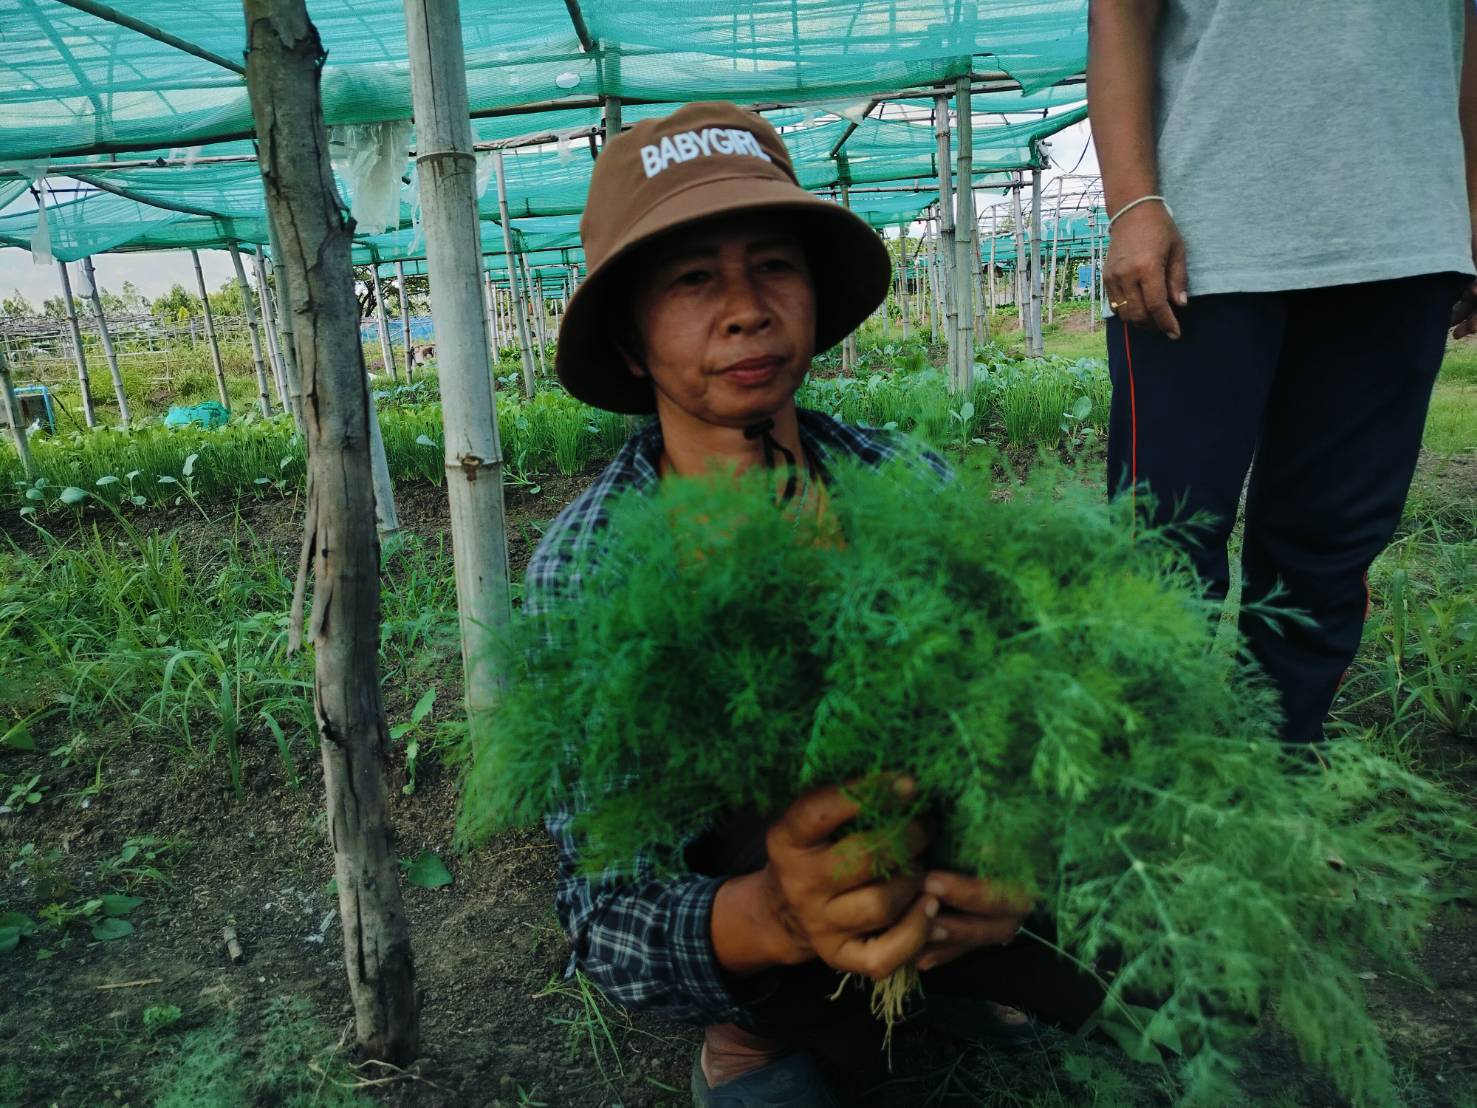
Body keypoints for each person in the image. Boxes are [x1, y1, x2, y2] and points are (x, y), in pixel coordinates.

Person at [524, 103, 1105, 1107]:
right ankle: (747, 1036)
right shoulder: (587, 570)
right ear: (627, 341)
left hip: (936, 880)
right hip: (763, 940)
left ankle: (956, 969)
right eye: (693, 278)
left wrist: (1016, 863)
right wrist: (777, 917)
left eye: (772, 266)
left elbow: (1026, 721)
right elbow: (603, 914)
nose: (745, 308)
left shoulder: (905, 482)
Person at [1087, 0, 1477, 743]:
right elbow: (1119, 12)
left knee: (1326, 541)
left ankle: (1277, 773)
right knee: (1162, 536)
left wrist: (1470, 203)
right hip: (1205, 239)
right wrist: (1132, 203)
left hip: (1402, 235)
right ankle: (1144, 777)